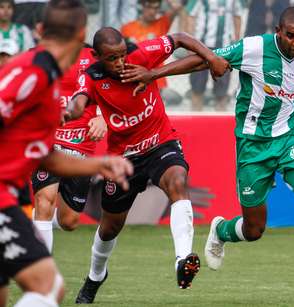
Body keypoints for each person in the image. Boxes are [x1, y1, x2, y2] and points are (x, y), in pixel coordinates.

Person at [120, 6, 294, 304]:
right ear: (278, 31)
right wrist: (154, 73)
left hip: (290, 137)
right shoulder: (253, 47)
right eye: (291, 36)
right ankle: (222, 230)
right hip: (253, 146)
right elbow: (205, 59)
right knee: (253, 230)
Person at [69, 27, 229, 304]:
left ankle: (183, 259)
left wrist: (157, 72)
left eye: (122, 55)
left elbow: (180, 38)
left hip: (160, 144)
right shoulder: (92, 78)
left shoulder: (141, 55)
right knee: (110, 227)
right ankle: (96, 276)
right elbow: (78, 101)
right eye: (112, 58)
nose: (120, 62)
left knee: (178, 181)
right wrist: (68, 113)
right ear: (97, 57)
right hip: (123, 158)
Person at [0, 1, 133, 307]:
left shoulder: (43, 78)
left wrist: (99, 164)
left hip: (9, 197)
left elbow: (43, 155)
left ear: (40, 30)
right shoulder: (33, 73)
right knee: (47, 286)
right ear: (83, 35)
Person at [31, 45, 104, 253]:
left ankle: (35, 225)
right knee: (44, 202)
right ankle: (42, 272)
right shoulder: (40, 55)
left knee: (69, 221)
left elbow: (113, 91)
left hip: (81, 145)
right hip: (48, 142)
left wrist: (104, 118)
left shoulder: (94, 56)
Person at [185, 0, 242, 111]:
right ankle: (195, 123)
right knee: (197, 89)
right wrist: (190, 44)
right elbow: (190, 16)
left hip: (224, 49)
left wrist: (236, 42)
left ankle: (221, 126)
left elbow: (237, 16)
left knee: (221, 93)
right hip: (202, 47)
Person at [121, 0, 183, 90]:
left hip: (157, 78)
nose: (152, 11)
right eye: (149, 7)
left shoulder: (162, 24)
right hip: (134, 78)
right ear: (141, 7)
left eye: (156, 8)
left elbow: (176, 6)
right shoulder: (126, 28)